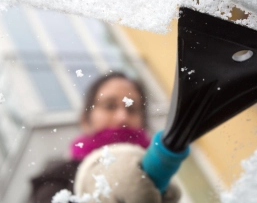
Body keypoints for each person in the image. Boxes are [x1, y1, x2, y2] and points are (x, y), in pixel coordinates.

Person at [30, 72, 180, 203]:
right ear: (85, 120)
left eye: (132, 109)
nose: (122, 117)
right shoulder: (55, 180)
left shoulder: (162, 180)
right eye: (110, 106)